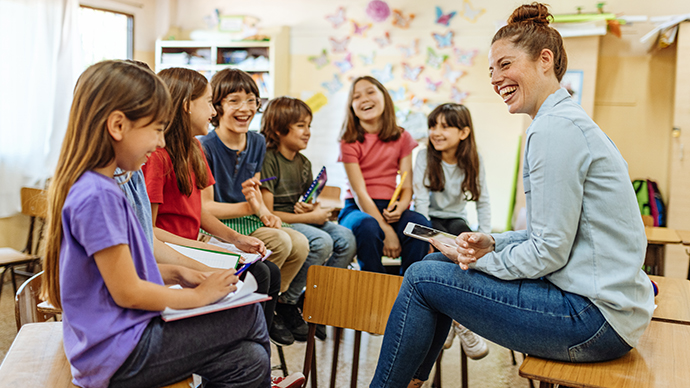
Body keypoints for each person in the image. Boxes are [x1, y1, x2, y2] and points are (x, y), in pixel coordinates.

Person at [370, 4, 654, 387]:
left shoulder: (554, 130)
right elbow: (551, 234)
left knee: (423, 278)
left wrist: (475, 260)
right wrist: (491, 242)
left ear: (545, 60)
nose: (495, 78)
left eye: (505, 64)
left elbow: (549, 251)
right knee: (432, 275)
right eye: (491, 70)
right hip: (608, 309)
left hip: (594, 320)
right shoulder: (562, 121)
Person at [41, 60, 270, 388]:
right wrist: (199, 297)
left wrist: (179, 273)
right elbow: (129, 292)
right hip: (117, 352)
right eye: (156, 129)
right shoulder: (97, 195)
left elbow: (119, 275)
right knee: (246, 313)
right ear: (118, 125)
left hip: (118, 342)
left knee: (249, 360)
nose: (160, 142)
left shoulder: (101, 187)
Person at [140, 67, 286, 350]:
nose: (213, 111)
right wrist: (210, 249)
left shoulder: (194, 148)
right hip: (173, 250)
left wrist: (235, 239)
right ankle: (242, 357)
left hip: (192, 244)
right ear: (185, 105)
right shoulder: (157, 156)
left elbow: (199, 212)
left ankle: (256, 358)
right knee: (259, 275)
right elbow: (151, 229)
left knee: (270, 271)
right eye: (208, 102)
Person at [200, 68, 309, 343]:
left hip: (249, 219)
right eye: (234, 100)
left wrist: (263, 212)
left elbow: (254, 189)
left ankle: (273, 304)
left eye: (251, 100)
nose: (245, 108)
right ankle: (256, 309)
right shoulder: (206, 146)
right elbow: (207, 207)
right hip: (221, 226)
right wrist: (250, 209)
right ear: (217, 106)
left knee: (301, 244)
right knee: (281, 242)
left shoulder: (258, 141)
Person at [259, 96, 357, 341]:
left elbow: (305, 202)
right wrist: (311, 217)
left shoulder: (304, 162)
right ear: (280, 128)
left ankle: (312, 300)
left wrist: (310, 208)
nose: (308, 132)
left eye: (309, 126)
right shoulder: (268, 159)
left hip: (298, 218)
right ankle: (286, 302)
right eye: (301, 126)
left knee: (346, 238)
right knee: (322, 241)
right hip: (279, 221)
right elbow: (268, 213)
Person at [412, 103, 491, 360]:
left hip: (455, 219)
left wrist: (487, 238)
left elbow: (483, 201)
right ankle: (458, 321)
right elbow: (421, 202)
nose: (436, 132)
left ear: (464, 132)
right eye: (433, 126)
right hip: (430, 219)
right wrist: (427, 236)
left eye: (445, 127)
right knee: (441, 254)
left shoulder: (473, 158)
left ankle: (454, 320)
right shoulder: (424, 156)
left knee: (464, 247)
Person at [338, 75, 430, 274]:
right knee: (368, 227)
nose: (364, 99)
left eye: (370, 92)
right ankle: (374, 286)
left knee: (420, 225)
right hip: (357, 208)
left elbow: (407, 185)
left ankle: (409, 286)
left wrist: (402, 206)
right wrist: (387, 230)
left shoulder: (402, 137)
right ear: (351, 107)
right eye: (356, 96)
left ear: (384, 97)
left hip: (391, 207)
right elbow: (359, 193)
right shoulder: (348, 141)